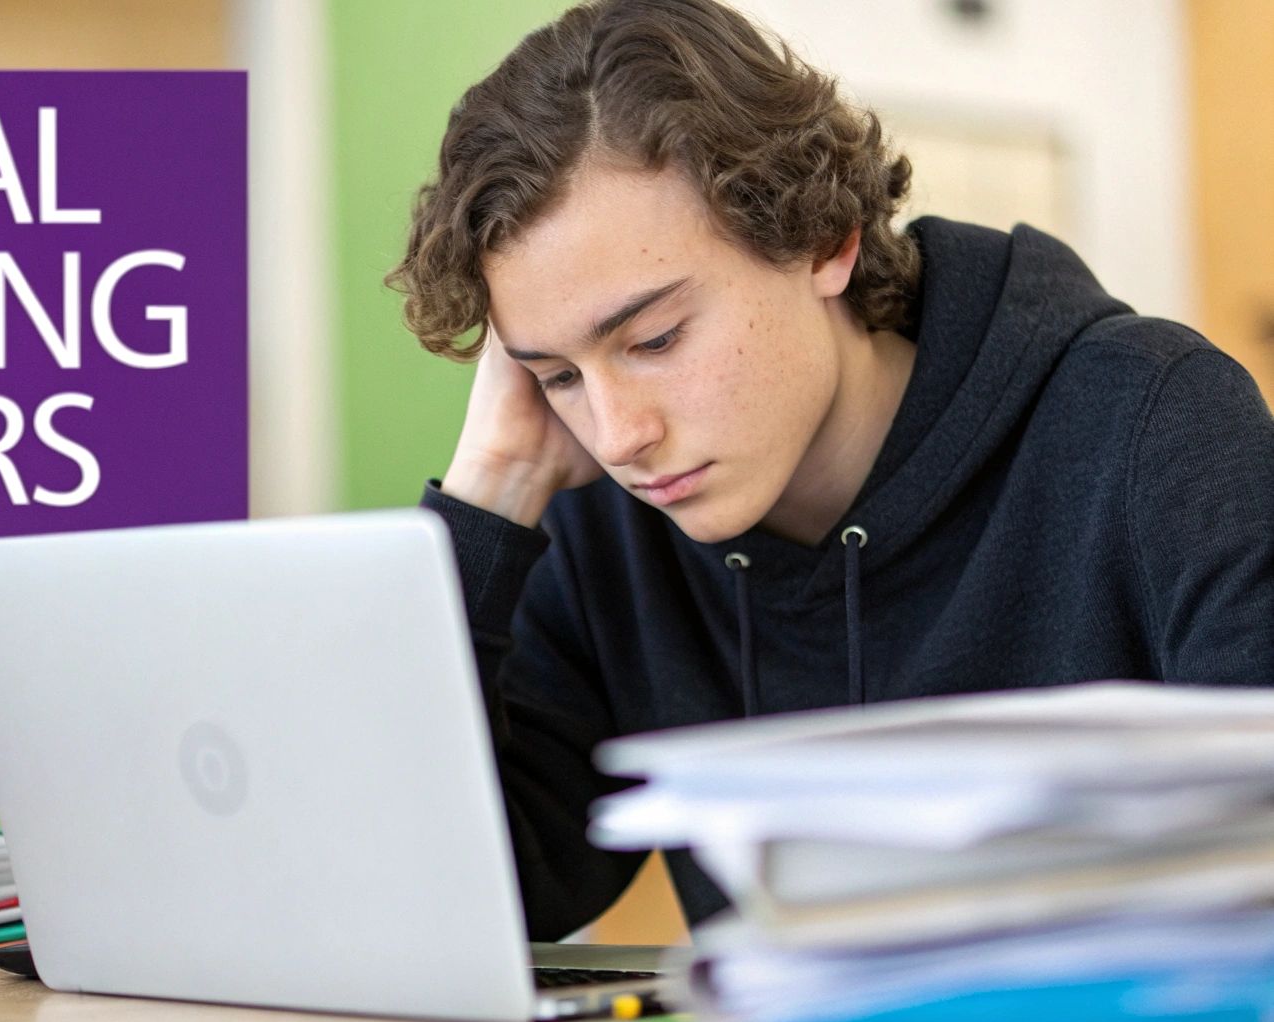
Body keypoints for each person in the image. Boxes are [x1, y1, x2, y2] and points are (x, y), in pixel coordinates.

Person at [386, 0, 1274, 939]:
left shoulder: (1151, 423)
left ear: (824, 238)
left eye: (654, 339)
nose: (617, 436)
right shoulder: (606, 511)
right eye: (555, 375)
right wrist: (491, 488)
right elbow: (462, 895)